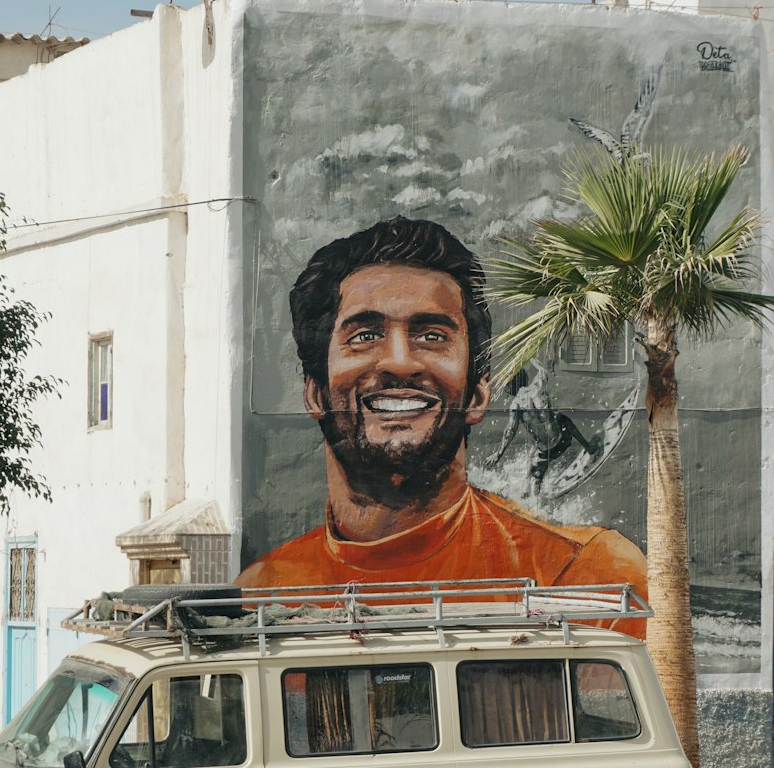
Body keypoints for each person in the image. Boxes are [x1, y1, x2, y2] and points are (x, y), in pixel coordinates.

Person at [238, 215, 647, 630]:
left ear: (477, 394)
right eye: (364, 335)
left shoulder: (589, 579)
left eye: (432, 336)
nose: (400, 362)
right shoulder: (260, 597)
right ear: (315, 393)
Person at [485, 360, 601, 496]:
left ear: (510, 386)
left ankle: (531, 496)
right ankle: (589, 447)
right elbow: (542, 368)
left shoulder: (515, 405)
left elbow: (510, 431)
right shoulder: (538, 384)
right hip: (562, 440)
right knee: (561, 418)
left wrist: (498, 454)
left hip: (546, 452)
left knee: (535, 472)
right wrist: (529, 356)